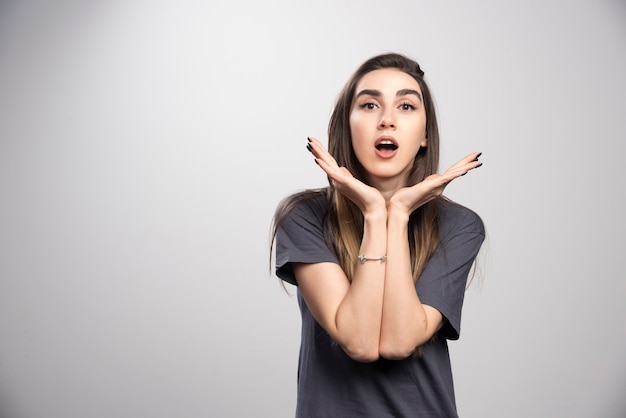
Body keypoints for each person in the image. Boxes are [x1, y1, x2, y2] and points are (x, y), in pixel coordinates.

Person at [270, 52, 485, 417]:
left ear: (425, 137)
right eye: (369, 105)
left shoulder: (459, 225)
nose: (387, 120)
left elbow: (399, 342)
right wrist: (374, 213)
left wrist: (397, 214)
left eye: (405, 106)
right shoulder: (304, 216)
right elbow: (360, 342)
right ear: (346, 126)